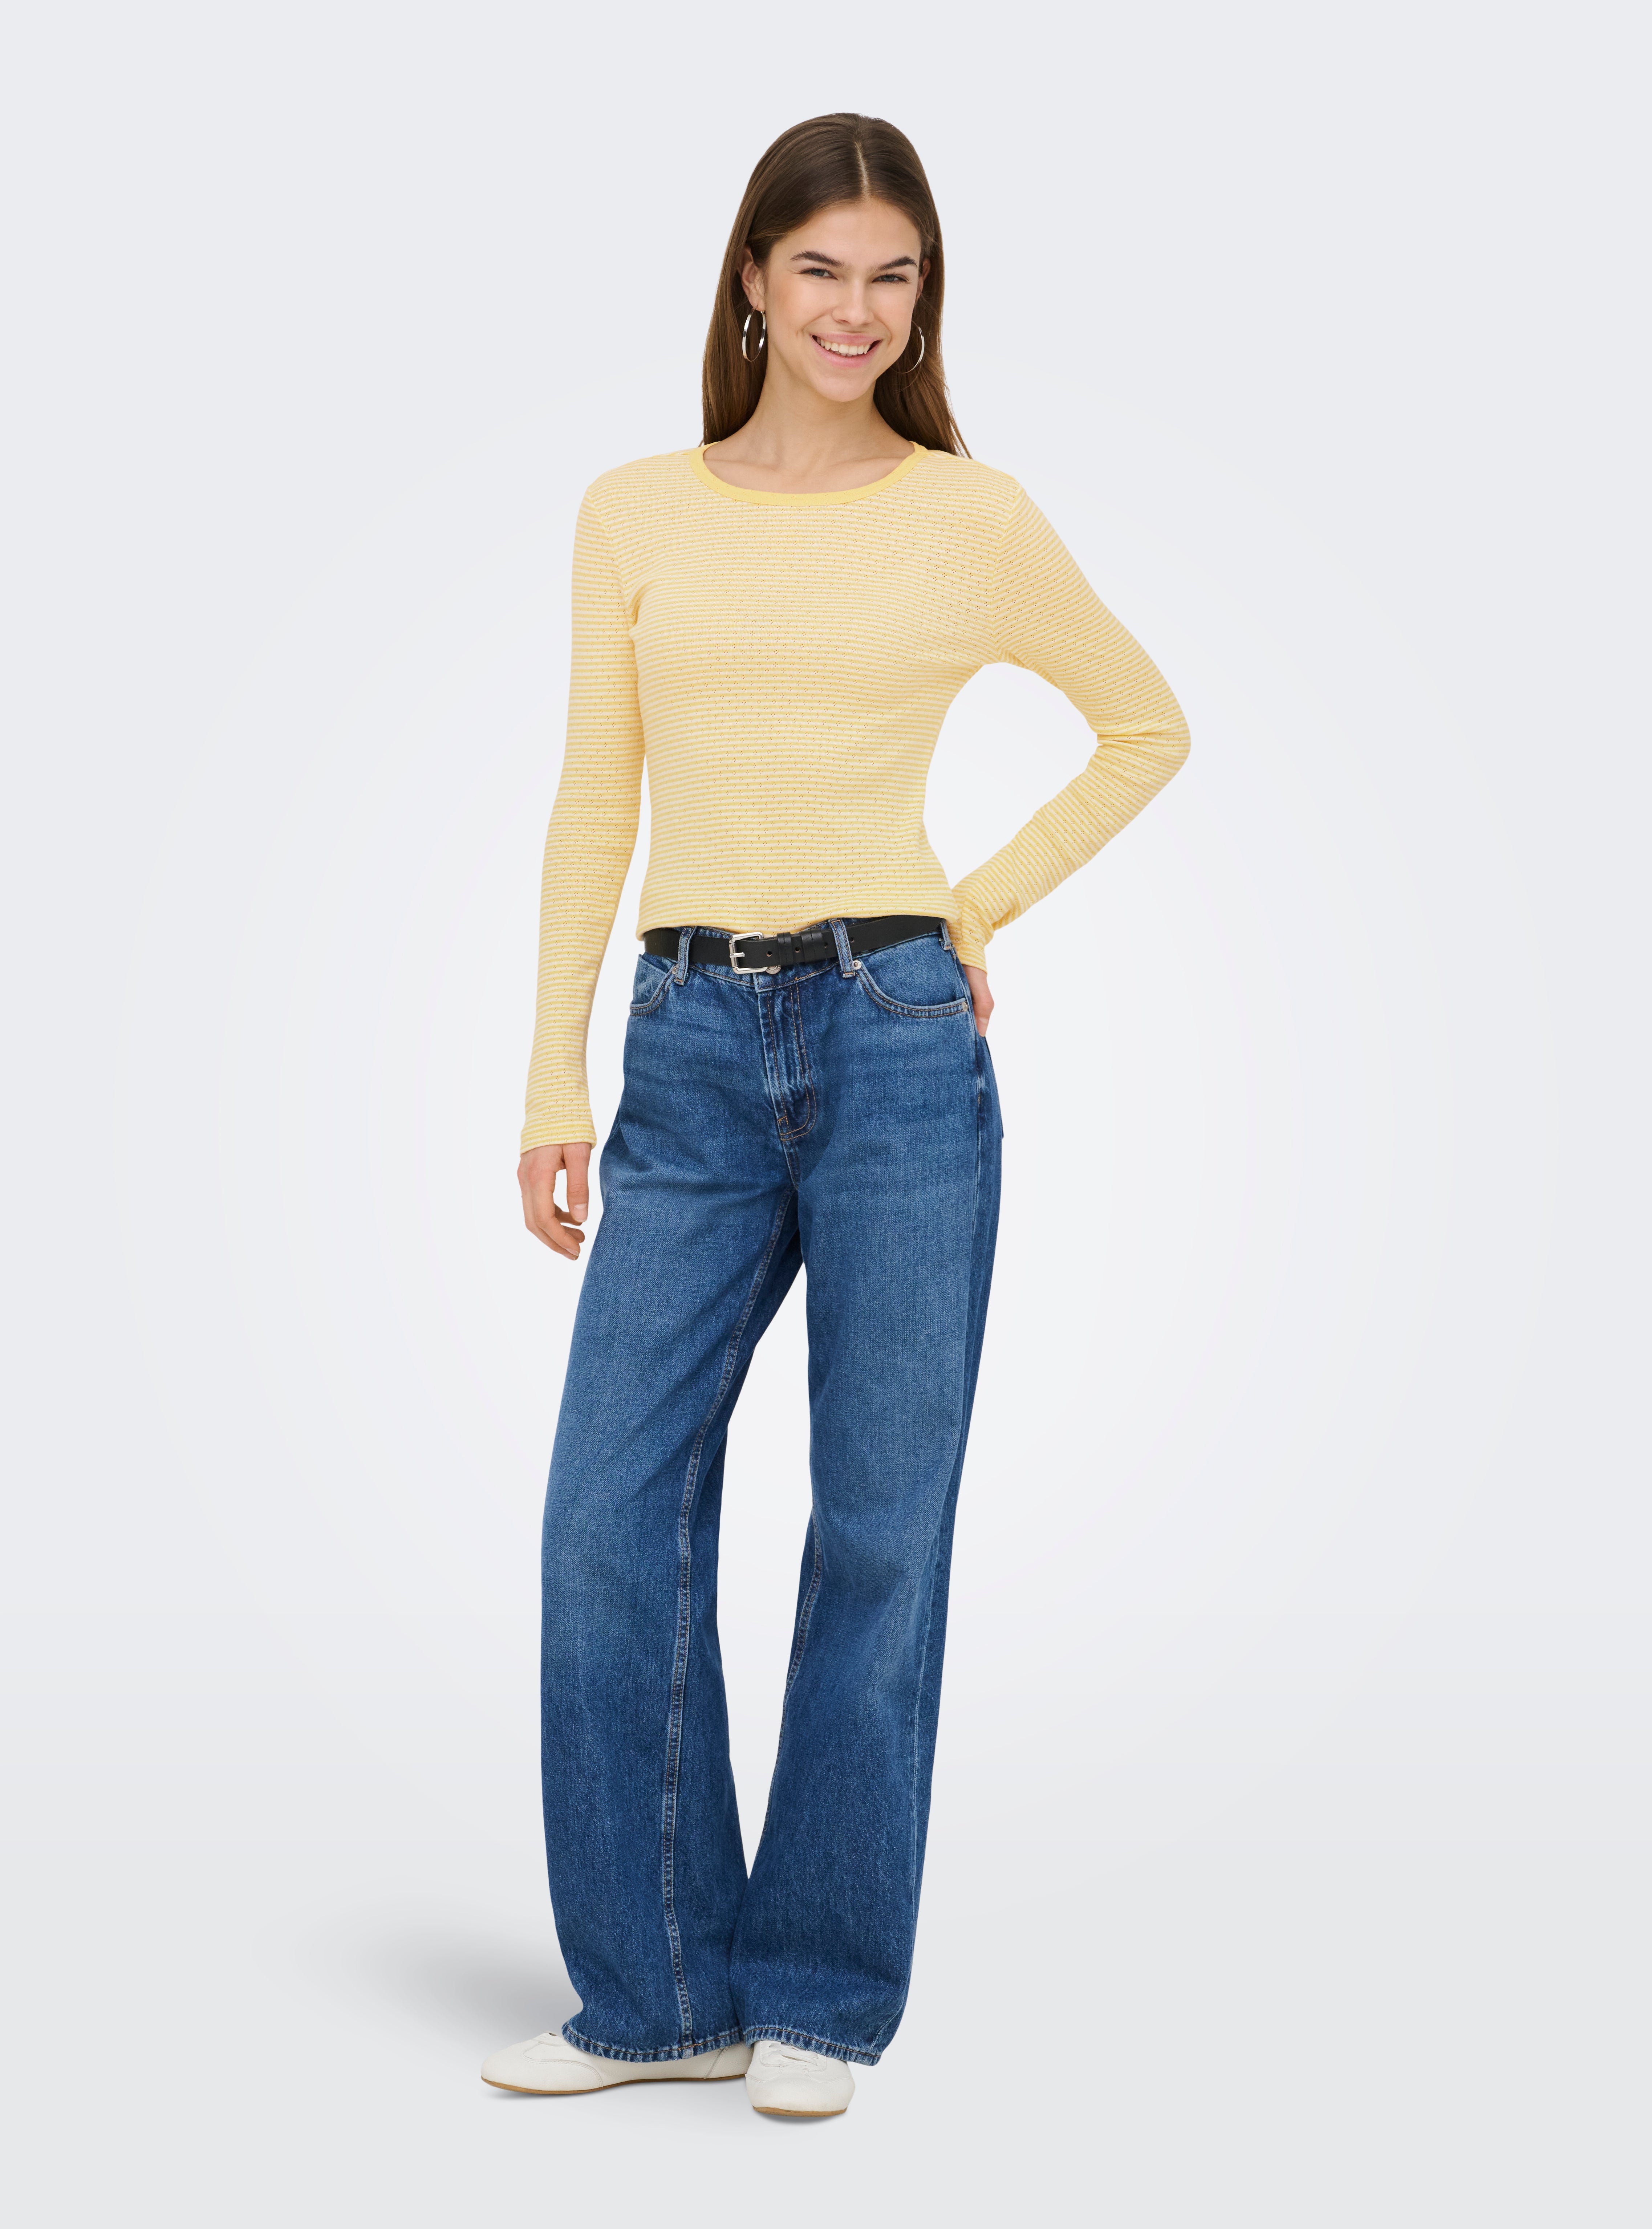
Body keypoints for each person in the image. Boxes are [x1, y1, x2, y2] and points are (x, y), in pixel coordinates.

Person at [482, 111, 1191, 2119]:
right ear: (751, 279)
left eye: (894, 277)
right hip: (689, 1043)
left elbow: (1146, 725)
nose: (856, 312)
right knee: (607, 1521)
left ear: (922, 296)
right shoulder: (637, 509)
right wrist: (552, 1072)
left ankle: (818, 1991)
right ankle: (657, 1996)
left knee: (879, 1529)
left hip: (896, 1040)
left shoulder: (969, 515)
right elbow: (595, 803)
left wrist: (974, 910)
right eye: (820, 271)